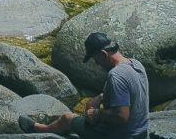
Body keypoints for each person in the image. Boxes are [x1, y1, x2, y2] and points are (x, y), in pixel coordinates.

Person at [19, 32, 150, 137]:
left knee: (67, 118)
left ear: (103, 54)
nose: (97, 64)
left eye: (95, 59)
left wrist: (97, 113)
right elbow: (130, 91)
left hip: (121, 135)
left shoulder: (116, 76)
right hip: (141, 131)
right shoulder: (135, 64)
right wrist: (100, 97)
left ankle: (40, 129)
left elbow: (121, 116)